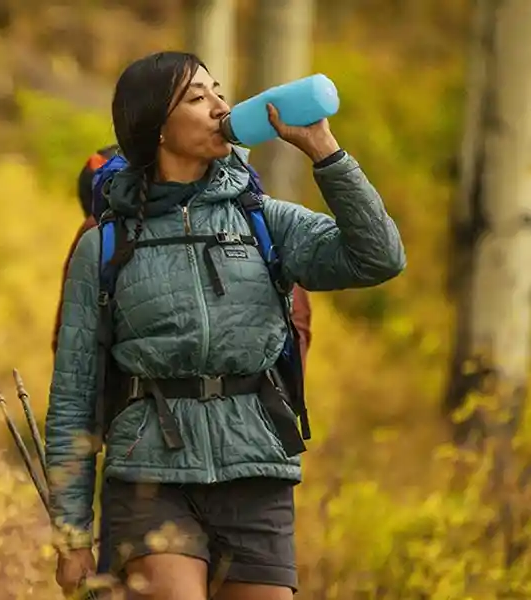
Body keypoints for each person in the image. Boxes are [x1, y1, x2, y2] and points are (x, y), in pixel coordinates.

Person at [45, 51, 405, 600]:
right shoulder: (104, 246)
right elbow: (73, 395)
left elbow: (379, 257)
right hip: (150, 475)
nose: (221, 107)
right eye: (197, 97)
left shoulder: (264, 218)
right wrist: (72, 535)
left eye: (219, 91)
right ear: (154, 128)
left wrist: (325, 152)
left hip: (255, 467)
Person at [52, 148, 313, 366]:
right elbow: (297, 323)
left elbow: (72, 347)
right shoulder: (256, 213)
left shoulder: (96, 230)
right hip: (258, 411)